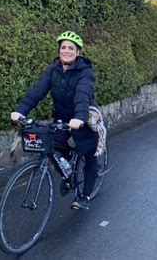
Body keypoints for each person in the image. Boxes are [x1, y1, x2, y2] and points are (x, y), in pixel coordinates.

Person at [10, 31, 99, 210]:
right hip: (62, 118)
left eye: (71, 48)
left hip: (83, 117)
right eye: (63, 47)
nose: (66, 50)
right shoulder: (54, 69)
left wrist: (79, 118)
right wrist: (20, 111)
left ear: (78, 52)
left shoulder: (85, 71)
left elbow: (82, 95)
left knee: (88, 154)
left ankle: (85, 196)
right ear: (59, 50)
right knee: (55, 143)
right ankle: (68, 174)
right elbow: (37, 91)